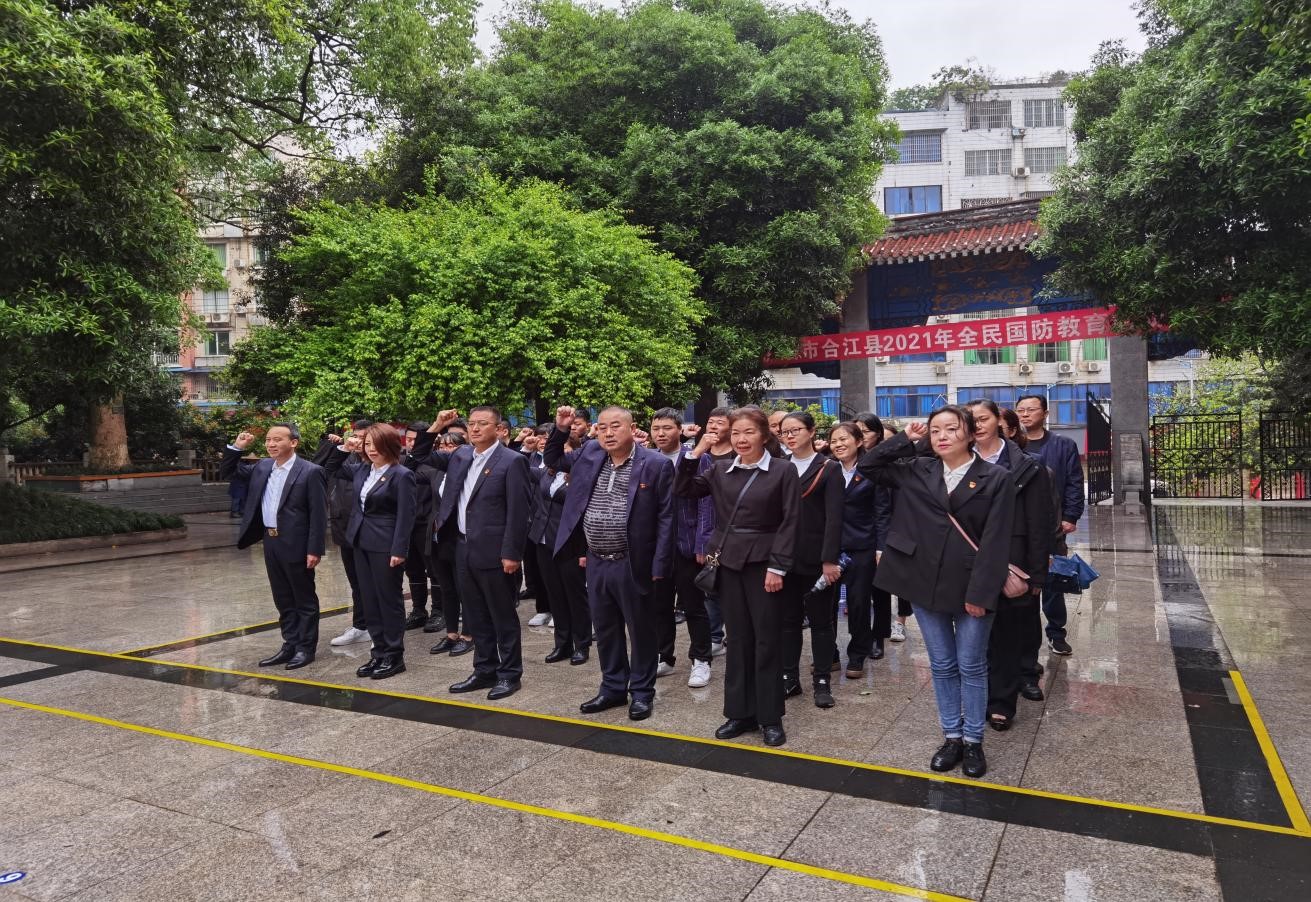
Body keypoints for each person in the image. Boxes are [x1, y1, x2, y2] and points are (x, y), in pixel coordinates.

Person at [858, 407, 1015, 778]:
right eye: (935, 430)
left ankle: (974, 740)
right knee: (942, 664)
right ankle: (952, 737)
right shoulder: (918, 468)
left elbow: (996, 541)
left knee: (971, 664)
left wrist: (981, 594)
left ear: (971, 434)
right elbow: (868, 466)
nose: (942, 436)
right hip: (923, 581)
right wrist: (905, 439)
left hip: (971, 584)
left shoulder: (996, 477)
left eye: (951, 429)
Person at [676, 406, 800, 747]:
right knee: (738, 638)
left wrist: (778, 566)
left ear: (764, 435)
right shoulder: (720, 470)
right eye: (735, 433)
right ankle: (739, 713)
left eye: (749, 432)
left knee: (766, 639)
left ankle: (770, 717)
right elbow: (683, 488)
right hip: (729, 561)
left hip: (765, 563)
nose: (741, 439)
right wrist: (696, 450)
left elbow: (791, 521)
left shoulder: (783, 470)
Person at [545, 404, 674, 721]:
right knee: (605, 628)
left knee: (640, 630)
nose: (608, 433)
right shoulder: (590, 453)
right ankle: (613, 687)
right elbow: (554, 460)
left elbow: (667, 519)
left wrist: (659, 566)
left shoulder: (655, 464)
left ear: (632, 428)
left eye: (615, 426)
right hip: (597, 559)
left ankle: (641, 692)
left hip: (633, 562)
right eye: (602, 427)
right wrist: (560, 429)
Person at [412, 407, 532, 700]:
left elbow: (519, 511)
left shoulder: (512, 460)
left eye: (483, 424)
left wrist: (512, 553)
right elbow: (419, 456)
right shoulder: (461, 455)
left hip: (494, 550)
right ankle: (484, 669)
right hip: (462, 547)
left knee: (502, 615)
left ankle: (509, 673)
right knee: (475, 614)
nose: (475, 428)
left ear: (499, 429)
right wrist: (436, 426)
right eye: (472, 424)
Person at [964, 400, 1054, 730]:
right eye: (970, 420)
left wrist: (1037, 575)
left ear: (999, 423)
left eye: (983, 418)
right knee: (974, 637)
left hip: (1012, 560)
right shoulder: (958, 461)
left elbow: (1039, 523)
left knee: (1006, 634)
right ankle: (976, 697)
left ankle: (1002, 701)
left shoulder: (1028, 466)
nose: (977, 425)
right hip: (967, 560)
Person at [222, 424, 327, 670]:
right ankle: (290, 644)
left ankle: (305, 648)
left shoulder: (311, 471)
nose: (271, 444)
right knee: (282, 597)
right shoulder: (262, 467)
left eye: (277, 439)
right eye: (268, 440)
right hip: (271, 541)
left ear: (293, 442)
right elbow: (228, 472)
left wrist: (314, 549)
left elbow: (318, 514)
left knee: (303, 598)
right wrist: (237, 447)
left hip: (297, 543)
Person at [326, 425, 417, 680]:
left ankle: (394, 655)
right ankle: (378, 652)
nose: (371, 450)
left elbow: (406, 516)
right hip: (360, 542)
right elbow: (330, 468)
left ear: (390, 445)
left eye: (376, 445)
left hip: (385, 544)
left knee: (388, 600)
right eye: (367, 445)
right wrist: (345, 447)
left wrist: (399, 548)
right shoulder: (362, 469)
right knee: (369, 599)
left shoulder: (401, 475)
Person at [777, 411, 844, 709]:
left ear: (812, 431)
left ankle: (822, 681)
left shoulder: (828, 468)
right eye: (785, 432)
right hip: (784, 558)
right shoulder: (779, 466)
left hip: (817, 559)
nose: (790, 436)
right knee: (788, 622)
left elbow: (834, 518)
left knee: (821, 622)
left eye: (796, 430)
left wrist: (829, 560)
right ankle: (789, 679)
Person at [649, 408, 715, 688]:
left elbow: (707, 503)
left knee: (693, 605)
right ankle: (664, 656)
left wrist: (703, 542)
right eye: (656, 429)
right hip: (656, 546)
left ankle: (701, 659)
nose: (661, 433)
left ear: (680, 429)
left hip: (688, 544)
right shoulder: (648, 459)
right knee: (659, 605)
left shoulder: (698, 457)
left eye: (667, 428)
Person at [1014, 394, 1084, 658]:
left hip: (1053, 525)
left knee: (1053, 580)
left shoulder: (1063, 445)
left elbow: (1075, 482)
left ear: (1045, 413)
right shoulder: (1012, 446)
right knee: (1024, 581)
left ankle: (1056, 633)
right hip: (1022, 526)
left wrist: (1071, 516)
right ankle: (1024, 638)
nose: (1025, 414)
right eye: (1021, 410)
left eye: (1031, 409)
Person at [827, 422, 892, 678]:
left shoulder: (871, 471)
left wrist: (881, 548)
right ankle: (829, 653)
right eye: (834, 441)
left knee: (858, 602)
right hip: (830, 547)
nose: (838, 445)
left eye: (844, 439)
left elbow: (882, 512)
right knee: (826, 603)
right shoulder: (827, 469)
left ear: (858, 441)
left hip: (862, 546)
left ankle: (857, 653)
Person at [527, 431, 592, 666]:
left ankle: (581, 644)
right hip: (544, 541)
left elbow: (585, 516)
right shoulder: (547, 472)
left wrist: (585, 550)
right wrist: (525, 448)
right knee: (555, 594)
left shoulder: (583, 477)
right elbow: (521, 468)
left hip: (571, 544)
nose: (560, 455)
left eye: (566, 450)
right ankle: (562, 644)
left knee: (575, 596)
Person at [314, 420, 373, 647]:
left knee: (375, 582)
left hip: (372, 531)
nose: (359, 441)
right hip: (345, 527)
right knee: (356, 581)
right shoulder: (346, 458)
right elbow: (322, 470)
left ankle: (378, 626)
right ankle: (361, 625)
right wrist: (339, 447)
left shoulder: (379, 461)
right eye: (356, 436)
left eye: (364, 437)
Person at [855, 412, 909, 645]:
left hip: (888, 529)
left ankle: (881, 635)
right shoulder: (845, 459)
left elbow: (886, 506)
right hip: (857, 533)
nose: (861, 436)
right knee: (860, 594)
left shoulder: (888, 463)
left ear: (877, 434)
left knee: (882, 588)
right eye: (857, 431)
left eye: (865, 431)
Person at [424, 430, 475, 656]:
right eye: (442, 446)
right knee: (447, 589)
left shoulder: (469, 470)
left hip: (460, 538)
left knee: (465, 588)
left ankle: (469, 634)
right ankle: (452, 633)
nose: (446, 451)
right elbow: (417, 457)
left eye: (451, 446)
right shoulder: (436, 472)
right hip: (439, 538)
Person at [400, 422, 440, 632]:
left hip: (429, 524)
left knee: (434, 570)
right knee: (413, 569)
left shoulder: (435, 461)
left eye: (416, 440)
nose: (411, 443)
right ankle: (418, 610)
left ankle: (439, 611)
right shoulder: (401, 462)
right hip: (408, 524)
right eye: (408, 439)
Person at [701, 406, 734, 658]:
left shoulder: (737, 455)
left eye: (720, 422)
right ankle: (714, 636)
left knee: (733, 587)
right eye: (711, 422)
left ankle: (736, 634)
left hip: (732, 529)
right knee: (710, 586)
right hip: (706, 529)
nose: (713, 426)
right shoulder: (700, 454)